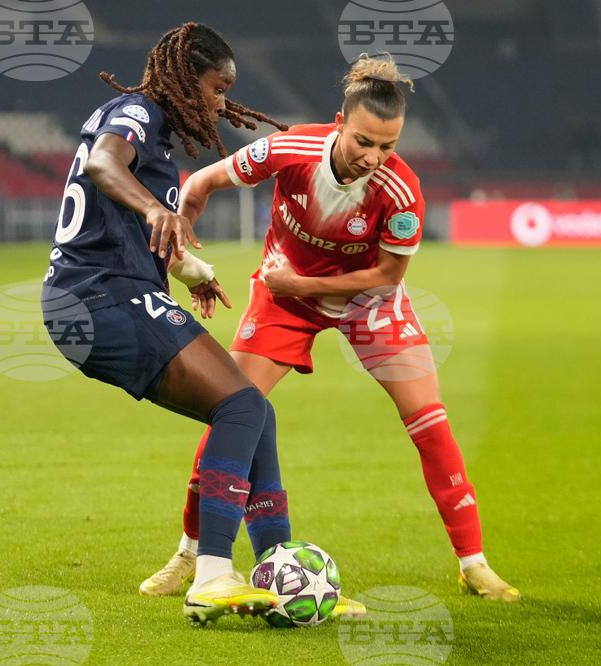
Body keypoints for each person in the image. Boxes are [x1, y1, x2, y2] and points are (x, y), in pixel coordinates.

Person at [141, 54, 521, 602]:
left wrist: (303, 286)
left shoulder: (401, 192)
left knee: (430, 423)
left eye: (388, 146)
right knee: (231, 414)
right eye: (364, 141)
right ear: (339, 123)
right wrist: (185, 240)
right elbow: (199, 181)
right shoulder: (290, 149)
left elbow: (388, 276)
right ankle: (188, 554)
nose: (374, 157)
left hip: (367, 302)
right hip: (283, 298)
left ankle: (474, 563)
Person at [41, 23, 360, 626]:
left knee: (253, 410)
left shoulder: (149, 130)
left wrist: (188, 269)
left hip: (102, 296)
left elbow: (126, 218)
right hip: (99, 297)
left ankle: (277, 573)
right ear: (187, 76)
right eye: (218, 87)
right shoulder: (134, 112)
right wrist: (157, 208)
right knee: (240, 407)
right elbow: (105, 168)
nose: (221, 102)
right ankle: (213, 573)